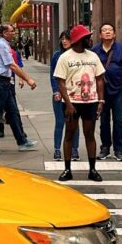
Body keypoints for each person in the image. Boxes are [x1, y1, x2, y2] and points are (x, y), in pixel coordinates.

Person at [54, 25, 106, 183]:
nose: (89, 40)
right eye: (86, 38)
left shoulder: (93, 56)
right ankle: (67, 169)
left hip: (90, 101)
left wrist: (101, 100)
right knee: (69, 133)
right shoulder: (65, 57)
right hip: (72, 102)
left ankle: (92, 169)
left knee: (89, 134)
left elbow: (99, 79)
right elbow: (60, 82)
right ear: (79, 40)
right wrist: (68, 104)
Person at [0, 23, 38, 155]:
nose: (14, 34)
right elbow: (12, 65)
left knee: (13, 113)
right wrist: (28, 79)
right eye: (12, 31)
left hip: (2, 82)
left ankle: (22, 141)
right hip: (0, 83)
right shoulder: (1, 44)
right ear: (4, 33)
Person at [92, 23, 122, 162]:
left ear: (114, 34)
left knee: (117, 120)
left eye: (110, 30)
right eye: (104, 30)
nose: (107, 32)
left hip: (119, 90)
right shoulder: (95, 50)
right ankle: (105, 148)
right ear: (100, 35)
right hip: (101, 91)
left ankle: (119, 149)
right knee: (103, 120)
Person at [50, 31, 80, 161]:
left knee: (74, 123)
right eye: (62, 39)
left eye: (67, 39)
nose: (64, 41)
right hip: (60, 94)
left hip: (75, 94)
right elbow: (53, 75)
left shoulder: (79, 56)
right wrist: (56, 91)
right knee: (60, 122)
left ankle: (74, 150)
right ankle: (57, 150)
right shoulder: (57, 55)